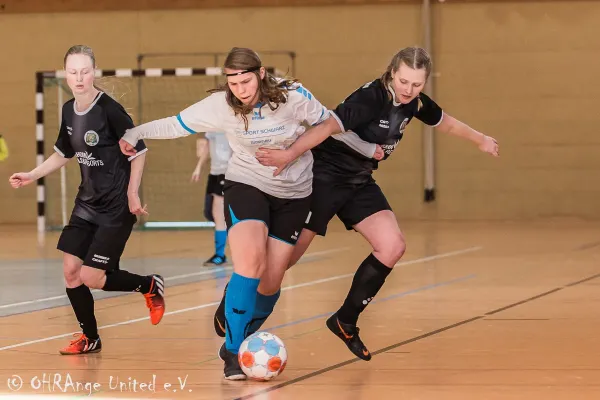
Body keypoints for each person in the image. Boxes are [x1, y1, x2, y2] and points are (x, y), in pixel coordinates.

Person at [214, 46, 499, 361]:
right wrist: (289, 154)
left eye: (417, 84)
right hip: (322, 179)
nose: (409, 89)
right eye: (404, 81)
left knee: (392, 246)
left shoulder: (413, 102)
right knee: (279, 265)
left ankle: (344, 320)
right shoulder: (369, 99)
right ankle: (234, 301)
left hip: (358, 182)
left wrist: (480, 139)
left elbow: (444, 121)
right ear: (392, 73)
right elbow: (326, 127)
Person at [118, 47, 374, 380]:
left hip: (294, 193)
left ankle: (236, 335)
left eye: (246, 80)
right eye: (234, 82)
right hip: (246, 184)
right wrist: (136, 132)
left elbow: (330, 123)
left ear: (261, 74)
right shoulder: (221, 105)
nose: (240, 89)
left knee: (270, 282)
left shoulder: (293, 96)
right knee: (250, 263)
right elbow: (177, 124)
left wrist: (367, 148)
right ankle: (234, 351)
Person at [8, 45, 166, 355]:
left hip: (116, 207)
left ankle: (148, 285)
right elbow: (63, 153)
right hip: (87, 203)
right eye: (72, 72)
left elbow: (141, 151)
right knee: (70, 271)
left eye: (84, 71)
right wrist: (32, 174)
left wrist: (132, 192)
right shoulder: (68, 110)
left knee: (91, 277)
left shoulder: (110, 110)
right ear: (65, 74)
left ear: (93, 72)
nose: (79, 78)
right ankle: (90, 338)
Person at [191, 131, 232, 266]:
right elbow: (207, 146)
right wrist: (198, 167)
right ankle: (220, 253)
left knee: (219, 214)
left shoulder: (232, 122)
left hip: (227, 172)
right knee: (210, 213)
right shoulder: (212, 124)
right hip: (214, 173)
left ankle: (220, 255)